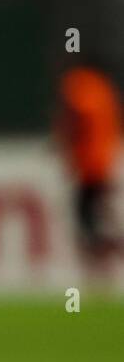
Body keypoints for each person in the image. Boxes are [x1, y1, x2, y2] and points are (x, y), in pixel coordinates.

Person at [55, 59, 121, 265]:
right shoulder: (105, 89)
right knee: (95, 211)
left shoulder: (81, 86)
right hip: (103, 158)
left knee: (87, 215)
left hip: (89, 162)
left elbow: (76, 118)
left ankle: (102, 248)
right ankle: (105, 245)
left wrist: (65, 143)